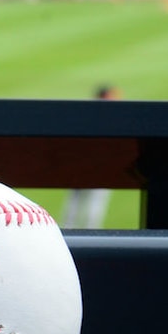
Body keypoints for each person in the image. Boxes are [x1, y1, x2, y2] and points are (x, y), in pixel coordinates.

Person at [62, 84, 120, 229]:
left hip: (80, 164)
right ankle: (91, 234)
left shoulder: (84, 114)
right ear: (105, 97)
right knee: (94, 204)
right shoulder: (112, 117)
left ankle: (68, 231)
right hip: (98, 166)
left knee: (75, 205)